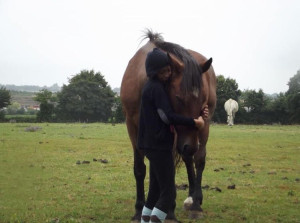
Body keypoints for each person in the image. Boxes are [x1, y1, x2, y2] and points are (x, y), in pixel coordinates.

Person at [137, 48, 209, 223]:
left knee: (154, 191)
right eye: (165, 71)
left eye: (169, 70)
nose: (169, 74)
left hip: (149, 145)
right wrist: (194, 122)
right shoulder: (157, 90)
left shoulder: (150, 88)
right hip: (159, 146)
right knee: (168, 194)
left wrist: (200, 111)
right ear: (155, 72)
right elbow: (166, 116)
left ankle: (144, 221)